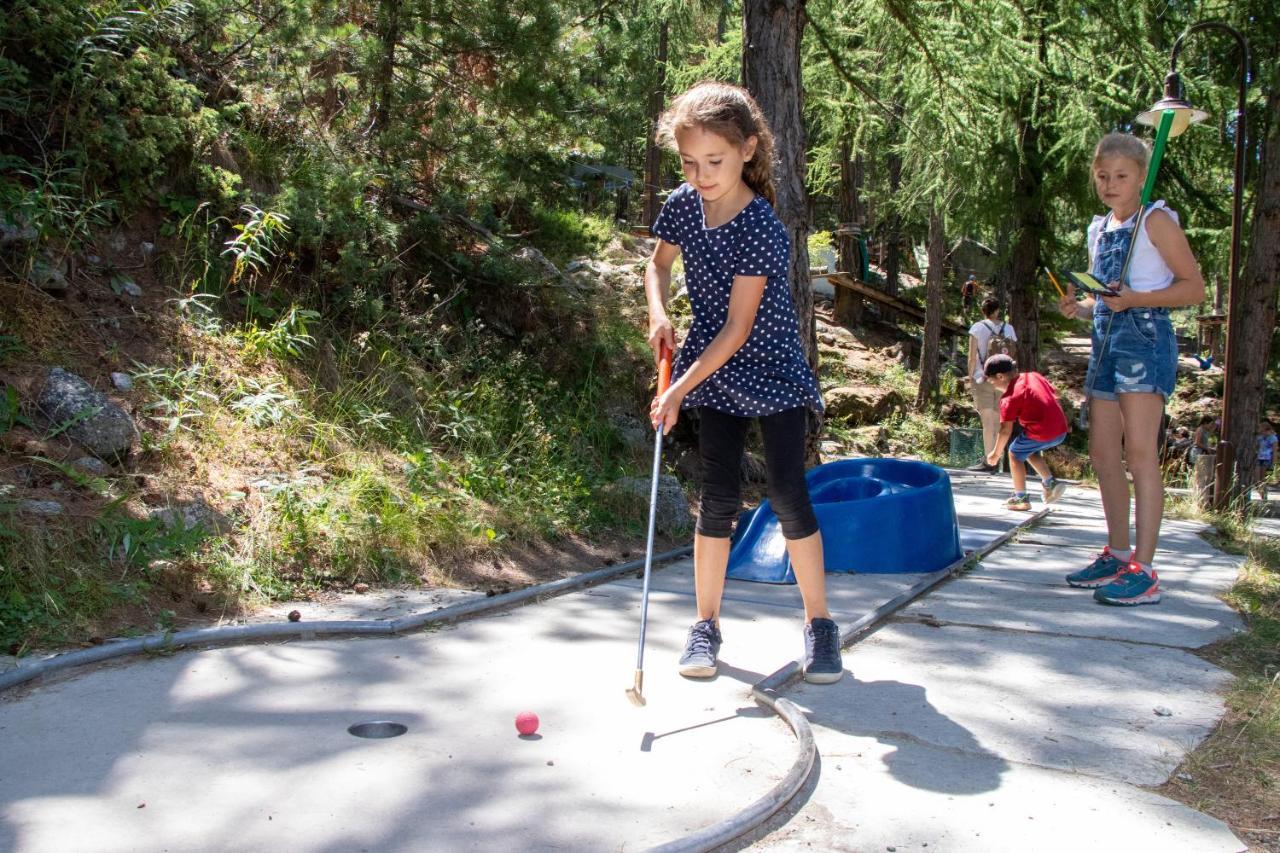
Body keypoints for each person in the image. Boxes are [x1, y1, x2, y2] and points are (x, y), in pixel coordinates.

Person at [644, 81, 841, 684]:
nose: (700, 175)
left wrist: (677, 391)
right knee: (719, 494)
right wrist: (658, 311)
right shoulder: (681, 204)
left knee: (786, 492)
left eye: (715, 162)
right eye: (688, 163)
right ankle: (705, 626)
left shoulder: (761, 227)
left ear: (748, 150)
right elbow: (657, 263)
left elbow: (737, 327)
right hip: (712, 365)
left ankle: (820, 625)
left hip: (769, 364)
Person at [1057, 132, 1205, 606]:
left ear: (1141, 177)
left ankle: (1146, 569)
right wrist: (1078, 308)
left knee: (1140, 454)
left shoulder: (1156, 220)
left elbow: (1193, 288)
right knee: (1103, 455)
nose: (1110, 184)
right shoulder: (1098, 228)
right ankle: (1117, 554)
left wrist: (1136, 300)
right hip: (1105, 342)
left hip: (1145, 337)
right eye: (1102, 176)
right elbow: (1102, 295)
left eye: (1121, 176)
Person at [981, 355, 1069, 511]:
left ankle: (1021, 498)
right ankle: (1050, 483)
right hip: (1061, 429)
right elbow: (1057, 396)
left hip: (1043, 432)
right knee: (1027, 448)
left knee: (1014, 453)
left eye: (991, 380)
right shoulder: (1033, 376)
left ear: (1000, 376)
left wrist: (995, 453)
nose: (992, 384)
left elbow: (1005, 430)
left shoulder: (1009, 398)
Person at [966, 297, 1018, 472]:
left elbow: (972, 356)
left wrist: (970, 376)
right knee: (998, 422)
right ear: (997, 311)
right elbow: (1012, 356)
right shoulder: (1009, 329)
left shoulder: (977, 328)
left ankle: (989, 461)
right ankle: (999, 459)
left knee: (988, 422)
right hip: (1004, 381)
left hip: (983, 378)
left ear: (983, 311)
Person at [1257, 420, 1278, 503]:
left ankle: (1264, 497)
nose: (1261, 431)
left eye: (1262, 430)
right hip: (1259, 458)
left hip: (1267, 460)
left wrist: (1273, 464)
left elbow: (1275, 452)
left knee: (1263, 479)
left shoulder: (1273, 438)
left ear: (1266, 429)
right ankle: (1262, 494)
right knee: (1257, 479)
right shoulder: (1260, 437)